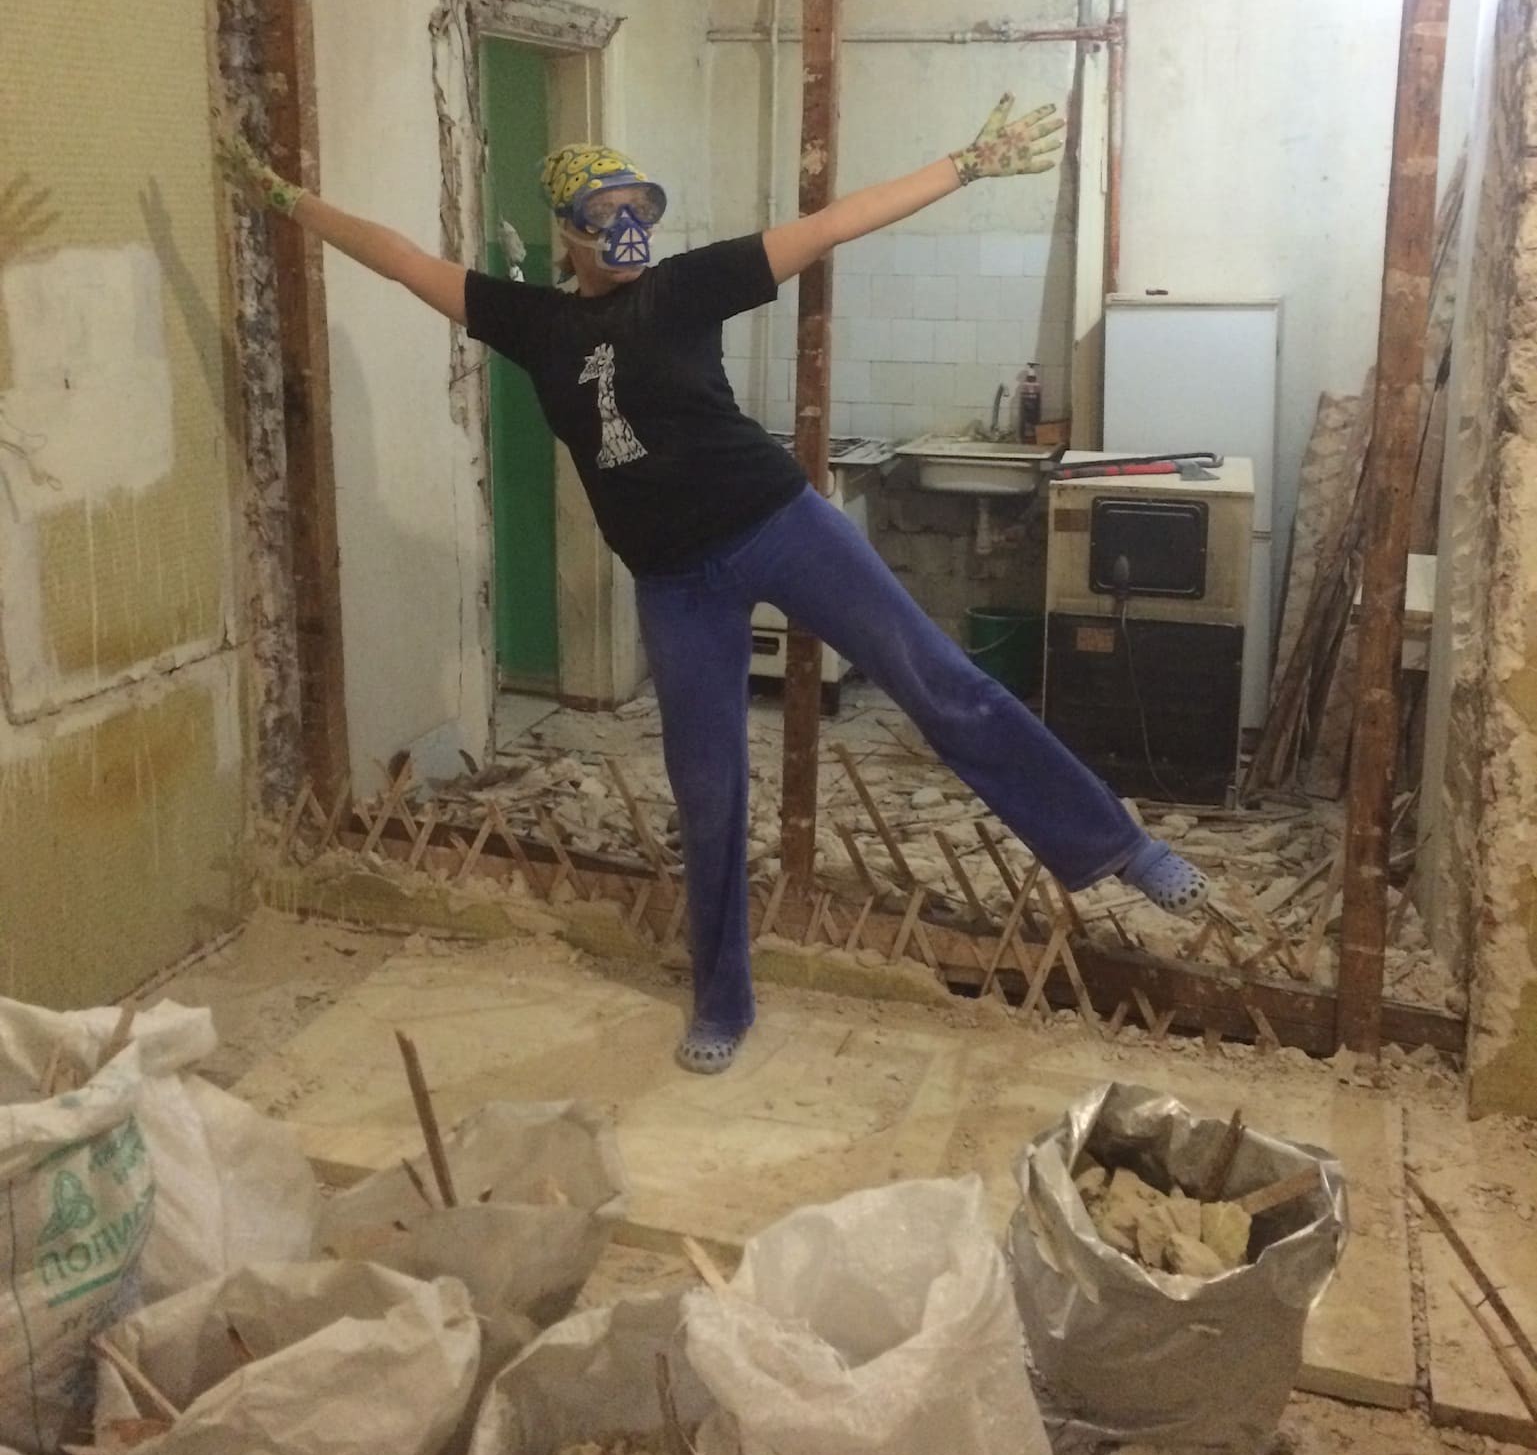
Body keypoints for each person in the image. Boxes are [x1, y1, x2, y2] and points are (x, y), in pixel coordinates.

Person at [222, 97, 1208, 1074]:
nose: (626, 226)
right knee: (706, 788)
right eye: (603, 211)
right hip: (674, 580)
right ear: (566, 233)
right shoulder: (534, 322)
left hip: (780, 524)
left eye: (637, 207)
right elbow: (401, 258)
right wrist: (289, 199)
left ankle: (1117, 845)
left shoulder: (686, 287)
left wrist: (965, 163)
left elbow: (830, 224)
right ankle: (723, 998)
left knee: (939, 681)